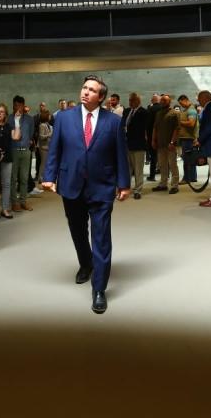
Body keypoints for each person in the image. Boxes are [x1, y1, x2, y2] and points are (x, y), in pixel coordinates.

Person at [42, 74, 130, 314]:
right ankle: (85, 262)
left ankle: (99, 288)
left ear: (101, 97)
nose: (85, 92)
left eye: (91, 90)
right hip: (71, 184)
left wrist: (124, 183)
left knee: (101, 237)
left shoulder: (113, 122)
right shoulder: (64, 118)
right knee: (78, 231)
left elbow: (120, 153)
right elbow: (55, 149)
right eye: (84, 88)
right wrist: (48, 176)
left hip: (102, 186)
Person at [121, 92, 149, 200]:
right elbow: (123, 125)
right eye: (129, 100)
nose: (130, 102)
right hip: (127, 144)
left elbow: (145, 129)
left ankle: (138, 190)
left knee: (138, 169)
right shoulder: (127, 111)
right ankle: (126, 188)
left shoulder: (144, 112)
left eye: (132, 100)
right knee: (127, 169)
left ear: (138, 101)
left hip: (139, 144)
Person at [9, 94, 35, 211]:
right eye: (15, 106)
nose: (17, 108)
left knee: (24, 178)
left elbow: (30, 134)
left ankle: (23, 201)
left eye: (20, 105)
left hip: (25, 151)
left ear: (24, 106)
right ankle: (15, 202)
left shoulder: (30, 119)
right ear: (13, 106)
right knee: (13, 178)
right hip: (13, 150)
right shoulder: (9, 118)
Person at [151, 93, 180, 193]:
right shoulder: (158, 113)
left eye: (165, 100)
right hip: (160, 144)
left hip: (170, 144)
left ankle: (175, 185)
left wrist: (172, 141)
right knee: (162, 165)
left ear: (170, 102)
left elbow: (177, 129)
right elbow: (155, 127)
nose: (163, 102)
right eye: (162, 100)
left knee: (172, 165)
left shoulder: (174, 113)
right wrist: (153, 140)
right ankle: (163, 184)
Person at [0, 103, 15, 219]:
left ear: (6, 114)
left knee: (6, 184)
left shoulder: (8, 126)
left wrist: (18, 122)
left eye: (2, 112)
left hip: (7, 157)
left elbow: (16, 137)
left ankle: (5, 209)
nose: (0, 113)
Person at [176, 95, 199, 183]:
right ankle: (192, 177)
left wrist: (179, 122)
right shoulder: (187, 110)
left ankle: (187, 178)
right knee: (190, 159)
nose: (181, 105)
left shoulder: (191, 110)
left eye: (181, 103)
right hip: (186, 138)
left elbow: (191, 123)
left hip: (188, 138)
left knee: (187, 159)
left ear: (185, 100)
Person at [145, 92, 162, 180]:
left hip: (152, 135)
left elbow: (147, 123)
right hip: (162, 136)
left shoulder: (150, 109)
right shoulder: (163, 109)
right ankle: (166, 175)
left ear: (152, 100)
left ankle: (152, 176)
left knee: (153, 156)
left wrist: (147, 135)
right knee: (164, 156)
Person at [35, 109, 53, 186]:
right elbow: (41, 137)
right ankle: (40, 178)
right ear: (45, 116)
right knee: (43, 163)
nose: (50, 116)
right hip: (43, 147)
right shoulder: (42, 125)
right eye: (49, 115)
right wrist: (50, 135)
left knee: (47, 164)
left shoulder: (50, 126)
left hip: (49, 147)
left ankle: (45, 178)